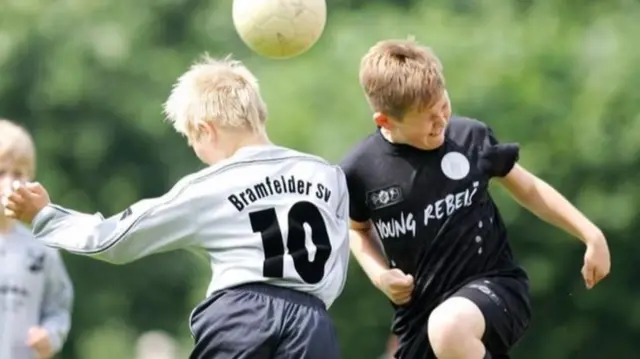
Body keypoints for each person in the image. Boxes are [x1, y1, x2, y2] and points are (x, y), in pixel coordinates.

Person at [2, 55, 350, 359]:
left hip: (243, 319)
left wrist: (45, 216)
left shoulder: (211, 185)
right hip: (314, 324)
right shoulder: (327, 175)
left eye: (190, 139)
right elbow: (336, 265)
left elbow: (114, 239)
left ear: (204, 130)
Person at [340, 38, 611, 359]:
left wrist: (590, 233)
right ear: (385, 121)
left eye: (443, 106)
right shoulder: (360, 169)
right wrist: (381, 276)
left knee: (449, 327)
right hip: (418, 319)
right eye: (428, 117)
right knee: (443, 328)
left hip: (496, 287)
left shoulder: (470, 137)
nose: (441, 122)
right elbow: (357, 230)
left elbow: (529, 188)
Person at [0, 119, 74, 359]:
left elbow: (59, 307)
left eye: (18, 174)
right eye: (1, 172)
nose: (9, 183)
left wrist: (50, 335)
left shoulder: (41, 249)